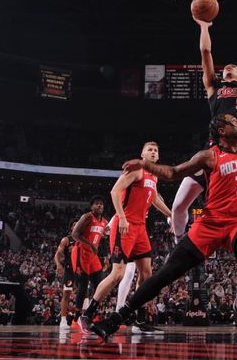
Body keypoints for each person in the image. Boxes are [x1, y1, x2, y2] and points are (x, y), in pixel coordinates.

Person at [92, 67, 237, 344]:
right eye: (232, 121)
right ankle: (117, 318)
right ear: (221, 130)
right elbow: (173, 172)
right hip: (209, 224)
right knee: (166, 273)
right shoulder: (209, 156)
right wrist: (144, 163)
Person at [170, 18, 237, 314]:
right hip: (214, 156)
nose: (228, 69)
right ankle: (179, 245)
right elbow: (206, 56)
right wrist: (203, 27)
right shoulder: (214, 88)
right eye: (227, 69)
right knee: (177, 208)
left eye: (234, 69)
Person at [80, 142, 172, 335]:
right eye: (150, 150)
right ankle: (87, 315)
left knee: (147, 274)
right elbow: (114, 191)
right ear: (142, 154)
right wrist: (121, 217)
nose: (153, 152)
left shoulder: (153, 175)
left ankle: (139, 319)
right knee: (118, 274)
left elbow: (154, 198)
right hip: (125, 226)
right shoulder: (136, 170)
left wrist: (170, 214)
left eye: (156, 150)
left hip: (140, 229)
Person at [70, 196, 108, 327]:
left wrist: (107, 257)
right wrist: (90, 244)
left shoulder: (104, 222)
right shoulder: (87, 217)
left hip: (93, 255)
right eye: (97, 204)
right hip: (81, 251)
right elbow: (75, 234)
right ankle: (77, 315)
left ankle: (89, 313)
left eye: (101, 204)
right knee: (83, 284)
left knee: (100, 284)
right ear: (91, 206)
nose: (99, 206)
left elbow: (102, 239)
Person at [54, 220, 78, 330]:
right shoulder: (66, 240)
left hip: (82, 269)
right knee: (66, 294)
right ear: (71, 227)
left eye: (78, 223)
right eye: (74, 224)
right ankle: (63, 320)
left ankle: (82, 319)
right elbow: (57, 254)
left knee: (85, 294)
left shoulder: (85, 239)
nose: (77, 225)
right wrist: (59, 264)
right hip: (70, 269)